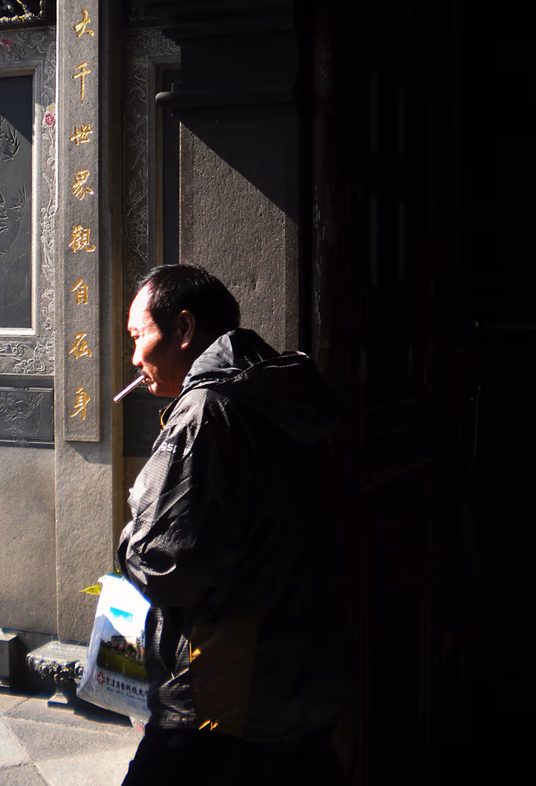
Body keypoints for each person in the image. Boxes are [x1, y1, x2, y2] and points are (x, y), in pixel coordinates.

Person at [116, 263, 348, 785]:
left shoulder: (206, 410)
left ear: (182, 329)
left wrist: (132, 533)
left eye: (139, 336)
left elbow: (166, 562)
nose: (135, 358)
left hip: (222, 675)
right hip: (298, 660)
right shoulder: (275, 391)